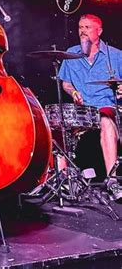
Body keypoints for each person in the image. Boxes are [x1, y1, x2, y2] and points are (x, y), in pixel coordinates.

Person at [59, 14, 122, 201]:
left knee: (106, 121)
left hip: (105, 106)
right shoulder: (71, 53)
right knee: (57, 125)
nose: (82, 31)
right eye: (80, 27)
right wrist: (73, 92)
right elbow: (65, 83)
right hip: (82, 109)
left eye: (87, 27)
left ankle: (112, 180)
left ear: (99, 31)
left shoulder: (116, 55)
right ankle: (65, 180)